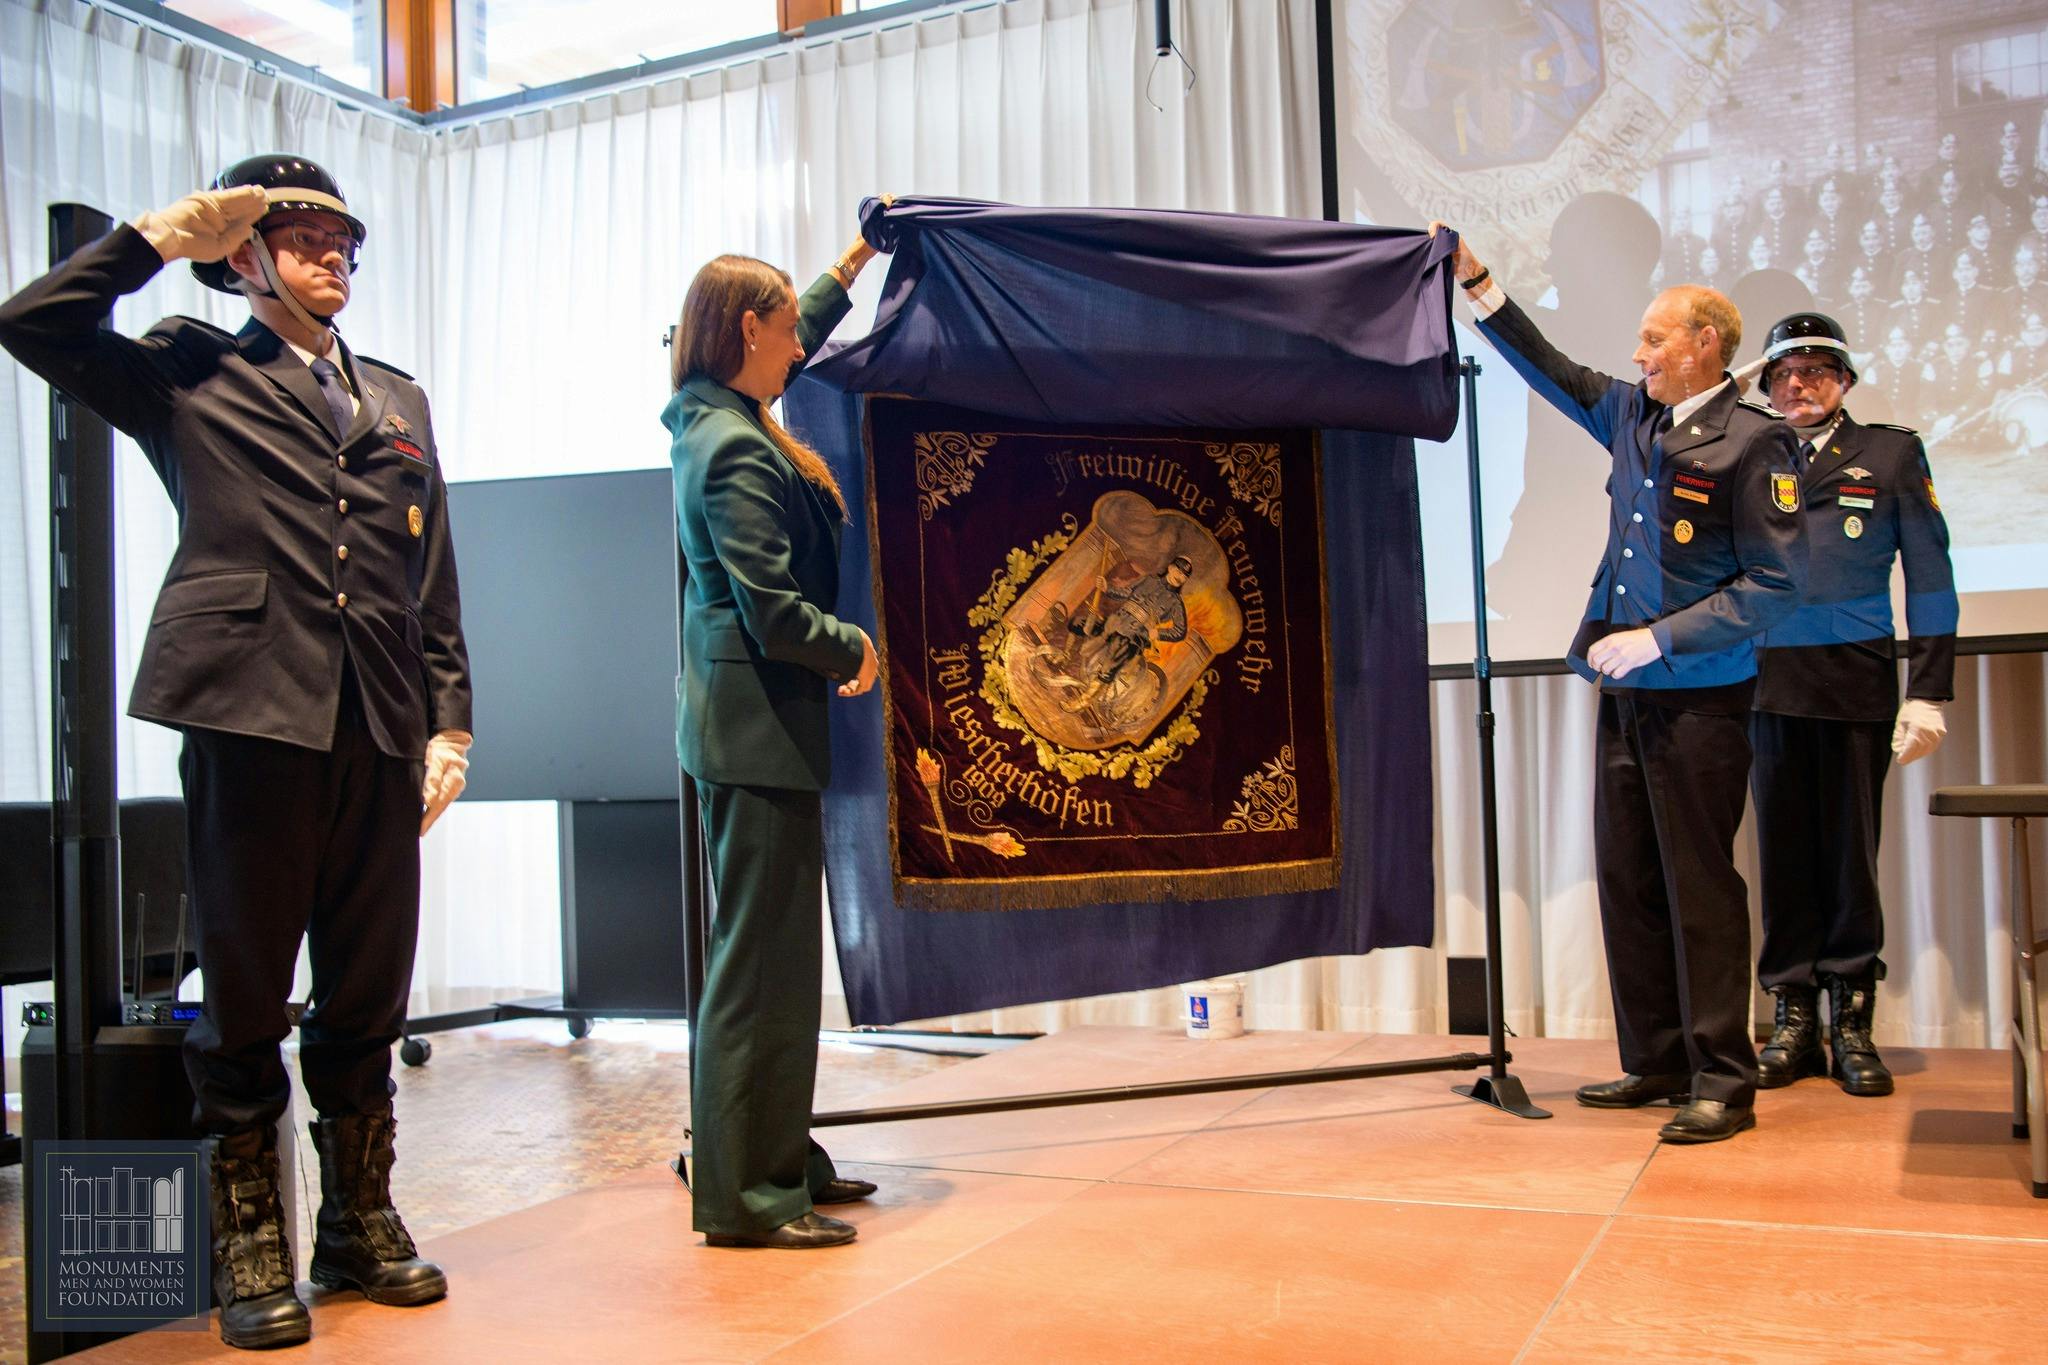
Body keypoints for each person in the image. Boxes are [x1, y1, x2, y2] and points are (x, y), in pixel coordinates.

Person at [0, 156, 470, 1348]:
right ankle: (250, 1240)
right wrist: (154, 239)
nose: (332, 256)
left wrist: (450, 720)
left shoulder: (398, 397)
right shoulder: (186, 364)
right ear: (244, 255)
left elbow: (432, 579)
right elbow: (32, 324)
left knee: (368, 991)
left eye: (342, 239)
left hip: (378, 722)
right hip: (247, 710)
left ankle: (358, 1223)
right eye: (301, 235)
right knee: (245, 996)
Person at [1431, 221, 1805, 1144]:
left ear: (1704, 344)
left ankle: (1724, 1074)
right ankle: (1659, 1059)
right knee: (1628, 875)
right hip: (1626, 691)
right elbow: (1550, 368)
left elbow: (1776, 583)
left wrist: (1662, 639)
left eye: (1653, 338)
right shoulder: (1634, 413)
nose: (1637, 352)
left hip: (1701, 692)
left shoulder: (1755, 442)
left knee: (1699, 884)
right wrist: (1480, 285)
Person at [664, 231, 884, 1250]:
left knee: (768, 967)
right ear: (746, 330)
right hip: (756, 731)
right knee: (757, 975)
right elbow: (772, 612)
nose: (800, 346)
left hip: (757, 731)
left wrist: (856, 261)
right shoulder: (734, 448)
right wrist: (851, 647)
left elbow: (800, 321)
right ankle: (748, 1198)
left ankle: (769, 1158)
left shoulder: (726, 413)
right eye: (787, 327)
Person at [1748, 313, 1956, 1096]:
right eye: (1785, 373)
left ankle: (1852, 1017)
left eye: (1816, 370)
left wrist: (1928, 687)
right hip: (1765, 682)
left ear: (1844, 380)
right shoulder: (1748, 453)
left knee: (1849, 859)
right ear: (1765, 386)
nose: (1799, 384)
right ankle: (1792, 1016)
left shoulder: (1890, 452)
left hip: (1854, 680)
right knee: (1782, 855)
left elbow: (1929, 575)